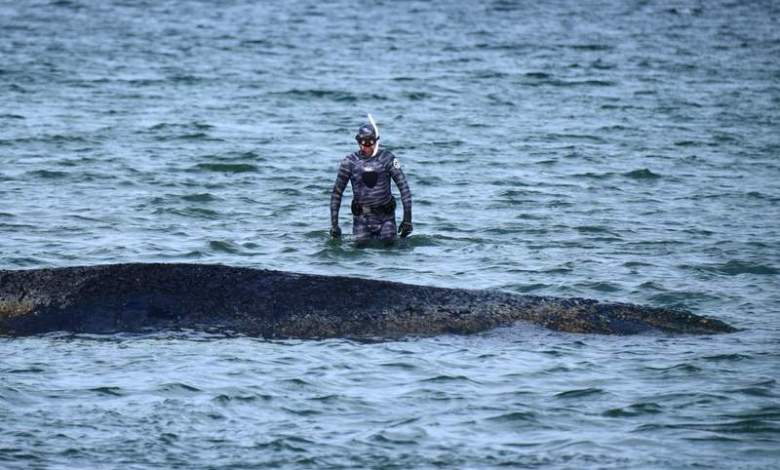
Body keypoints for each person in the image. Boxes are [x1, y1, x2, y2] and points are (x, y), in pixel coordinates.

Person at [330, 117, 412, 243]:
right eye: (364, 142)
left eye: (371, 141)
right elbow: (337, 193)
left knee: (390, 246)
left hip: (386, 219)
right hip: (361, 219)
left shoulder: (387, 159)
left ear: (376, 141)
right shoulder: (350, 162)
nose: (367, 146)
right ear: (358, 141)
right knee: (360, 248)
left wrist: (407, 220)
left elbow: (404, 188)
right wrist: (334, 225)